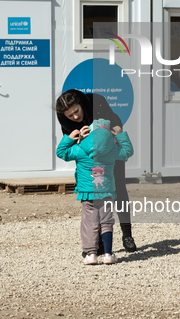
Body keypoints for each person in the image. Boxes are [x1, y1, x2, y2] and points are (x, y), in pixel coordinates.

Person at [56, 89, 137, 254]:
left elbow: (115, 128)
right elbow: (67, 149)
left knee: (118, 187)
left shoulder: (98, 103)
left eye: (77, 112)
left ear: (82, 105)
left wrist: (111, 139)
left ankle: (127, 234)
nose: (75, 117)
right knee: (94, 196)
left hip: (110, 149)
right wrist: (78, 140)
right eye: (70, 116)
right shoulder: (67, 121)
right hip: (89, 156)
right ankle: (97, 243)